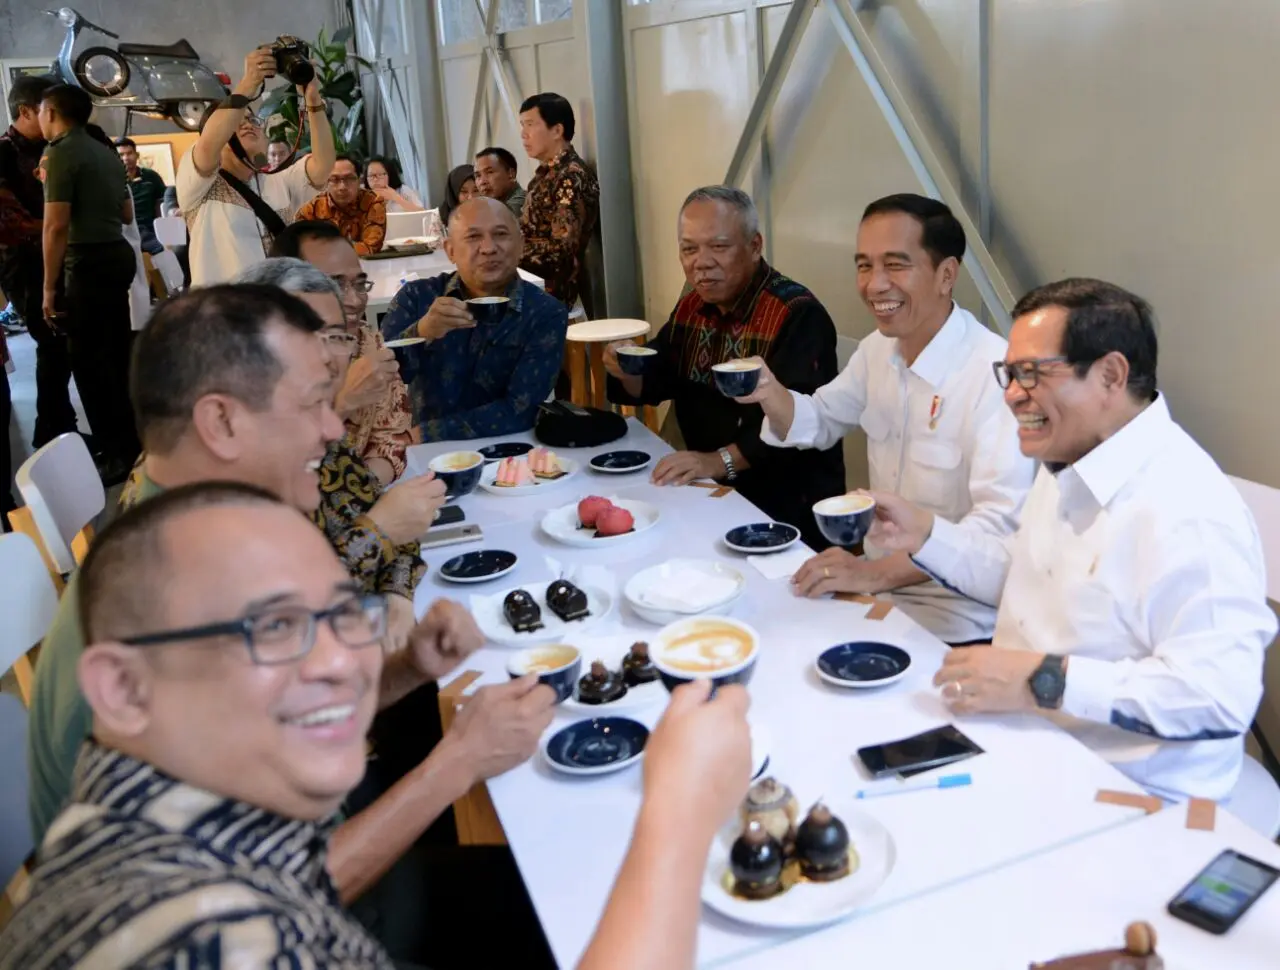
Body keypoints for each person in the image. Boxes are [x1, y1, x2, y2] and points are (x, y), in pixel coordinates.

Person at [1, 480, 751, 970]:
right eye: (275, 627)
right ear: (123, 688)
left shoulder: (156, 809)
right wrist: (679, 812)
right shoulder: (194, 938)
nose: (337, 660)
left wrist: (404, 671)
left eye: (338, 614)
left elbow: (299, 874)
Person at [867, 278, 1276, 801]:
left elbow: (1218, 697)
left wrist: (1043, 679)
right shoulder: (1069, 455)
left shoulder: (1188, 508)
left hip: (1128, 788)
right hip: (1025, 742)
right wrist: (924, 534)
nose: (1013, 395)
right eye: (1010, 374)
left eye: (1032, 374)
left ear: (1110, 375)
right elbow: (1025, 583)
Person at [737, 193, 1033, 644]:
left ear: (946, 274)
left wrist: (871, 574)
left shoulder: (993, 376)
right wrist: (768, 390)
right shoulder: (879, 349)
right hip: (875, 595)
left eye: (895, 265)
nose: (875, 285)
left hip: (956, 620)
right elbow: (819, 419)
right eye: (863, 265)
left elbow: (994, 539)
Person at [604, 185, 844, 551]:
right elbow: (658, 380)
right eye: (689, 249)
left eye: (718, 247)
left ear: (754, 245)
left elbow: (796, 428)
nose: (701, 262)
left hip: (784, 503)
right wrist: (626, 368)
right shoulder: (692, 306)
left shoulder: (796, 314)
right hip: (707, 489)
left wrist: (718, 462)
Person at [378, 197, 568, 442]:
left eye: (500, 234)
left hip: (508, 451)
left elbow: (521, 409)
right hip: (428, 456)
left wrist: (422, 435)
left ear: (521, 245)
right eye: (473, 237)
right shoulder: (417, 297)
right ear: (450, 250)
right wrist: (421, 332)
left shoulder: (544, 312)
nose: (488, 248)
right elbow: (381, 380)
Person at [39, 84, 139, 481]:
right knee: (115, 356)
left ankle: (116, 453)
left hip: (87, 264)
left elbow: (55, 226)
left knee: (89, 365)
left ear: (50, 111)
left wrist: (49, 288)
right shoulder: (105, 152)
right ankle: (131, 444)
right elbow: (127, 214)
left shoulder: (61, 152)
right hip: (116, 256)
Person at [176, 45, 335, 284]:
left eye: (252, 118)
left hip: (277, 307)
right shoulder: (199, 187)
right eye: (237, 121)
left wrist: (313, 99)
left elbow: (323, 166)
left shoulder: (277, 181)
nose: (247, 124)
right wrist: (248, 83)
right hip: (223, 314)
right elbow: (208, 145)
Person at [271, 220, 415, 482]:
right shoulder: (259, 365)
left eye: (359, 284)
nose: (355, 300)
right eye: (334, 286)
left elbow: (392, 442)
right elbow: (274, 476)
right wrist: (343, 403)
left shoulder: (367, 342)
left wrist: (361, 498)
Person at [0, 73, 76, 449]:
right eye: (49, 110)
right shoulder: (4, 153)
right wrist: (60, 223)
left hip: (57, 257)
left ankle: (60, 426)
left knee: (61, 349)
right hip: (26, 268)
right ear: (26, 111)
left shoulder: (55, 147)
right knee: (51, 346)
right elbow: (10, 223)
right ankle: (53, 433)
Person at [518, 92, 599, 311]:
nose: (523, 134)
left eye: (530, 124)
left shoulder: (570, 176)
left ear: (557, 130)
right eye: (522, 125)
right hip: (528, 280)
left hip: (551, 292)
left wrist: (509, 251)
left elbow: (560, 250)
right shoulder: (546, 173)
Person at [296, 153, 386, 255]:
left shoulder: (373, 203)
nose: (342, 187)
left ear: (359, 180)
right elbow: (299, 248)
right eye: (335, 179)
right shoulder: (310, 211)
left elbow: (371, 247)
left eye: (349, 178)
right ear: (326, 182)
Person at [114, 136, 165, 254]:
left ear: (137, 155)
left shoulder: (151, 176)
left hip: (148, 230)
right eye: (121, 155)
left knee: (162, 251)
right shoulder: (111, 179)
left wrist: (161, 228)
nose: (126, 158)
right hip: (123, 231)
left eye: (129, 153)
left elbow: (161, 203)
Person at [474, 145, 525, 220]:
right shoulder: (491, 206)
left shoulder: (523, 202)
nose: (482, 182)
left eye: (489, 172)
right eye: (478, 176)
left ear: (511, 174)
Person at [437, 163, 475, 227]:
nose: (471, 197)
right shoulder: (438, 218)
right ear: (454, 193)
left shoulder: (489, 212)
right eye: (464, 192)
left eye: (476, 190)